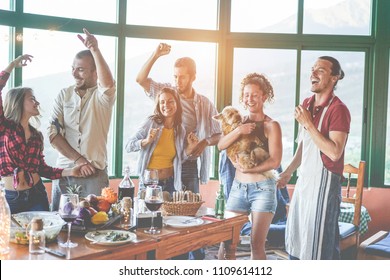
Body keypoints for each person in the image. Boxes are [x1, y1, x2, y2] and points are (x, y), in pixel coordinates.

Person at [277, 56, 351, 260]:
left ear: (334, 77)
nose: (313, 74)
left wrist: (309, 124)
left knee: (320, 245)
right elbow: (305, 144)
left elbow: (334, 152)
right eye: (312, 69)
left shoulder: (339, 110)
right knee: (297, 239)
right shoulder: (307, 104)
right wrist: (288, 171)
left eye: (320, 70)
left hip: (325, 185)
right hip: (305, 182)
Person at [0, 55, 86, 214]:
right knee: (10, 238)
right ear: (18, 103)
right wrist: (12, 65)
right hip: (11, 198)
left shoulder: (36, 136)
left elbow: (42, 169)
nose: (37, 102)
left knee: (45, 237)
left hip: (37, 195)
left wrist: (70, 171)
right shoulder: (4, 127)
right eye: (32, 99)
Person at [136, 43, 221, 194]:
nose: (177, 81)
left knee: (189, 210)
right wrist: (155, 54)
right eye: (175, 76)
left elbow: (219, 133)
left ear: (193, 77)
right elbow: (140, 80)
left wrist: (205, 142)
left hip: (188, 163)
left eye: (182, 77)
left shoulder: (205, 104)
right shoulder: (167, 93)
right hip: (167, 163)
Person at [48, 28, 116, 211]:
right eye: (73, 69)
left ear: (95, 72)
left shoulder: (103, 97)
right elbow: (53, 135)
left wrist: (95, 50)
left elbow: (108, 83)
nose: (74, 74)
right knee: (60, 223)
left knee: (96, 223)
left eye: (81, 70)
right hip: (65, 173)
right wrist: (79, 160)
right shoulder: (64, 95)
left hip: (94, 174)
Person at [217, 73, 282, 260]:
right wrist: (239, 130)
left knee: (256, 244)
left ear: (264, 97)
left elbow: (275, 161)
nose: (249, 99)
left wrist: (248, 170)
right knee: (226, 242)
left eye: (254, 95)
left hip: (263, 189)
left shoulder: (272, 125)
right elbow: (221, 145)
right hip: (238, 188)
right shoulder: (239, 122)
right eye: (246, 95)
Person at [126, 87, 195, 195]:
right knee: (147, 212)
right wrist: (147, 141)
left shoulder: (180, 129)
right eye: (162, 102)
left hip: (171, 183)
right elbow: (128, 145)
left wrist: (190, 148)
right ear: (158, 105)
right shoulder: (151, 122)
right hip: (149, 184)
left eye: (170, 101)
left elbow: (179, 159)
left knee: (170, 212)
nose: (166, 105)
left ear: (177, 104)